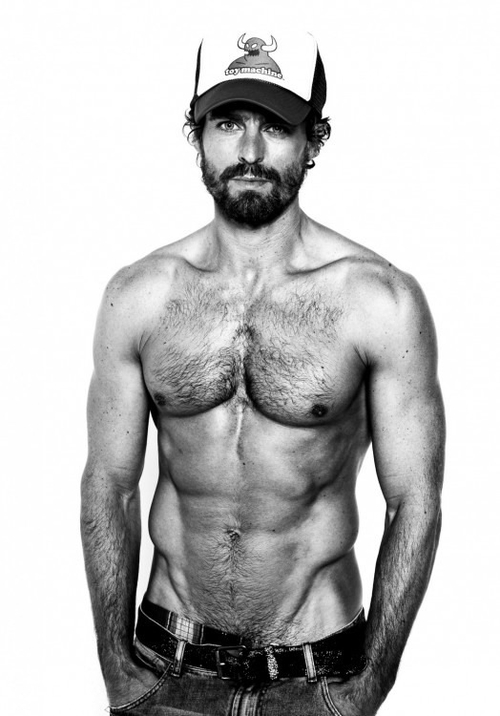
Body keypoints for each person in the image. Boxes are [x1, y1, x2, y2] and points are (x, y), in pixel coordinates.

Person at [81, 29, 445, 716]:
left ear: (313, 141)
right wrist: (117, 672)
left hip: (319, 675)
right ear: (197, 136)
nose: (249, 150)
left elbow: (415, 501)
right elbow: (110, 486)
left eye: (275, 126)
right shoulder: (139, 297)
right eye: (228, 123)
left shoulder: (379, 302)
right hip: (165, 665)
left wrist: (368, 687)